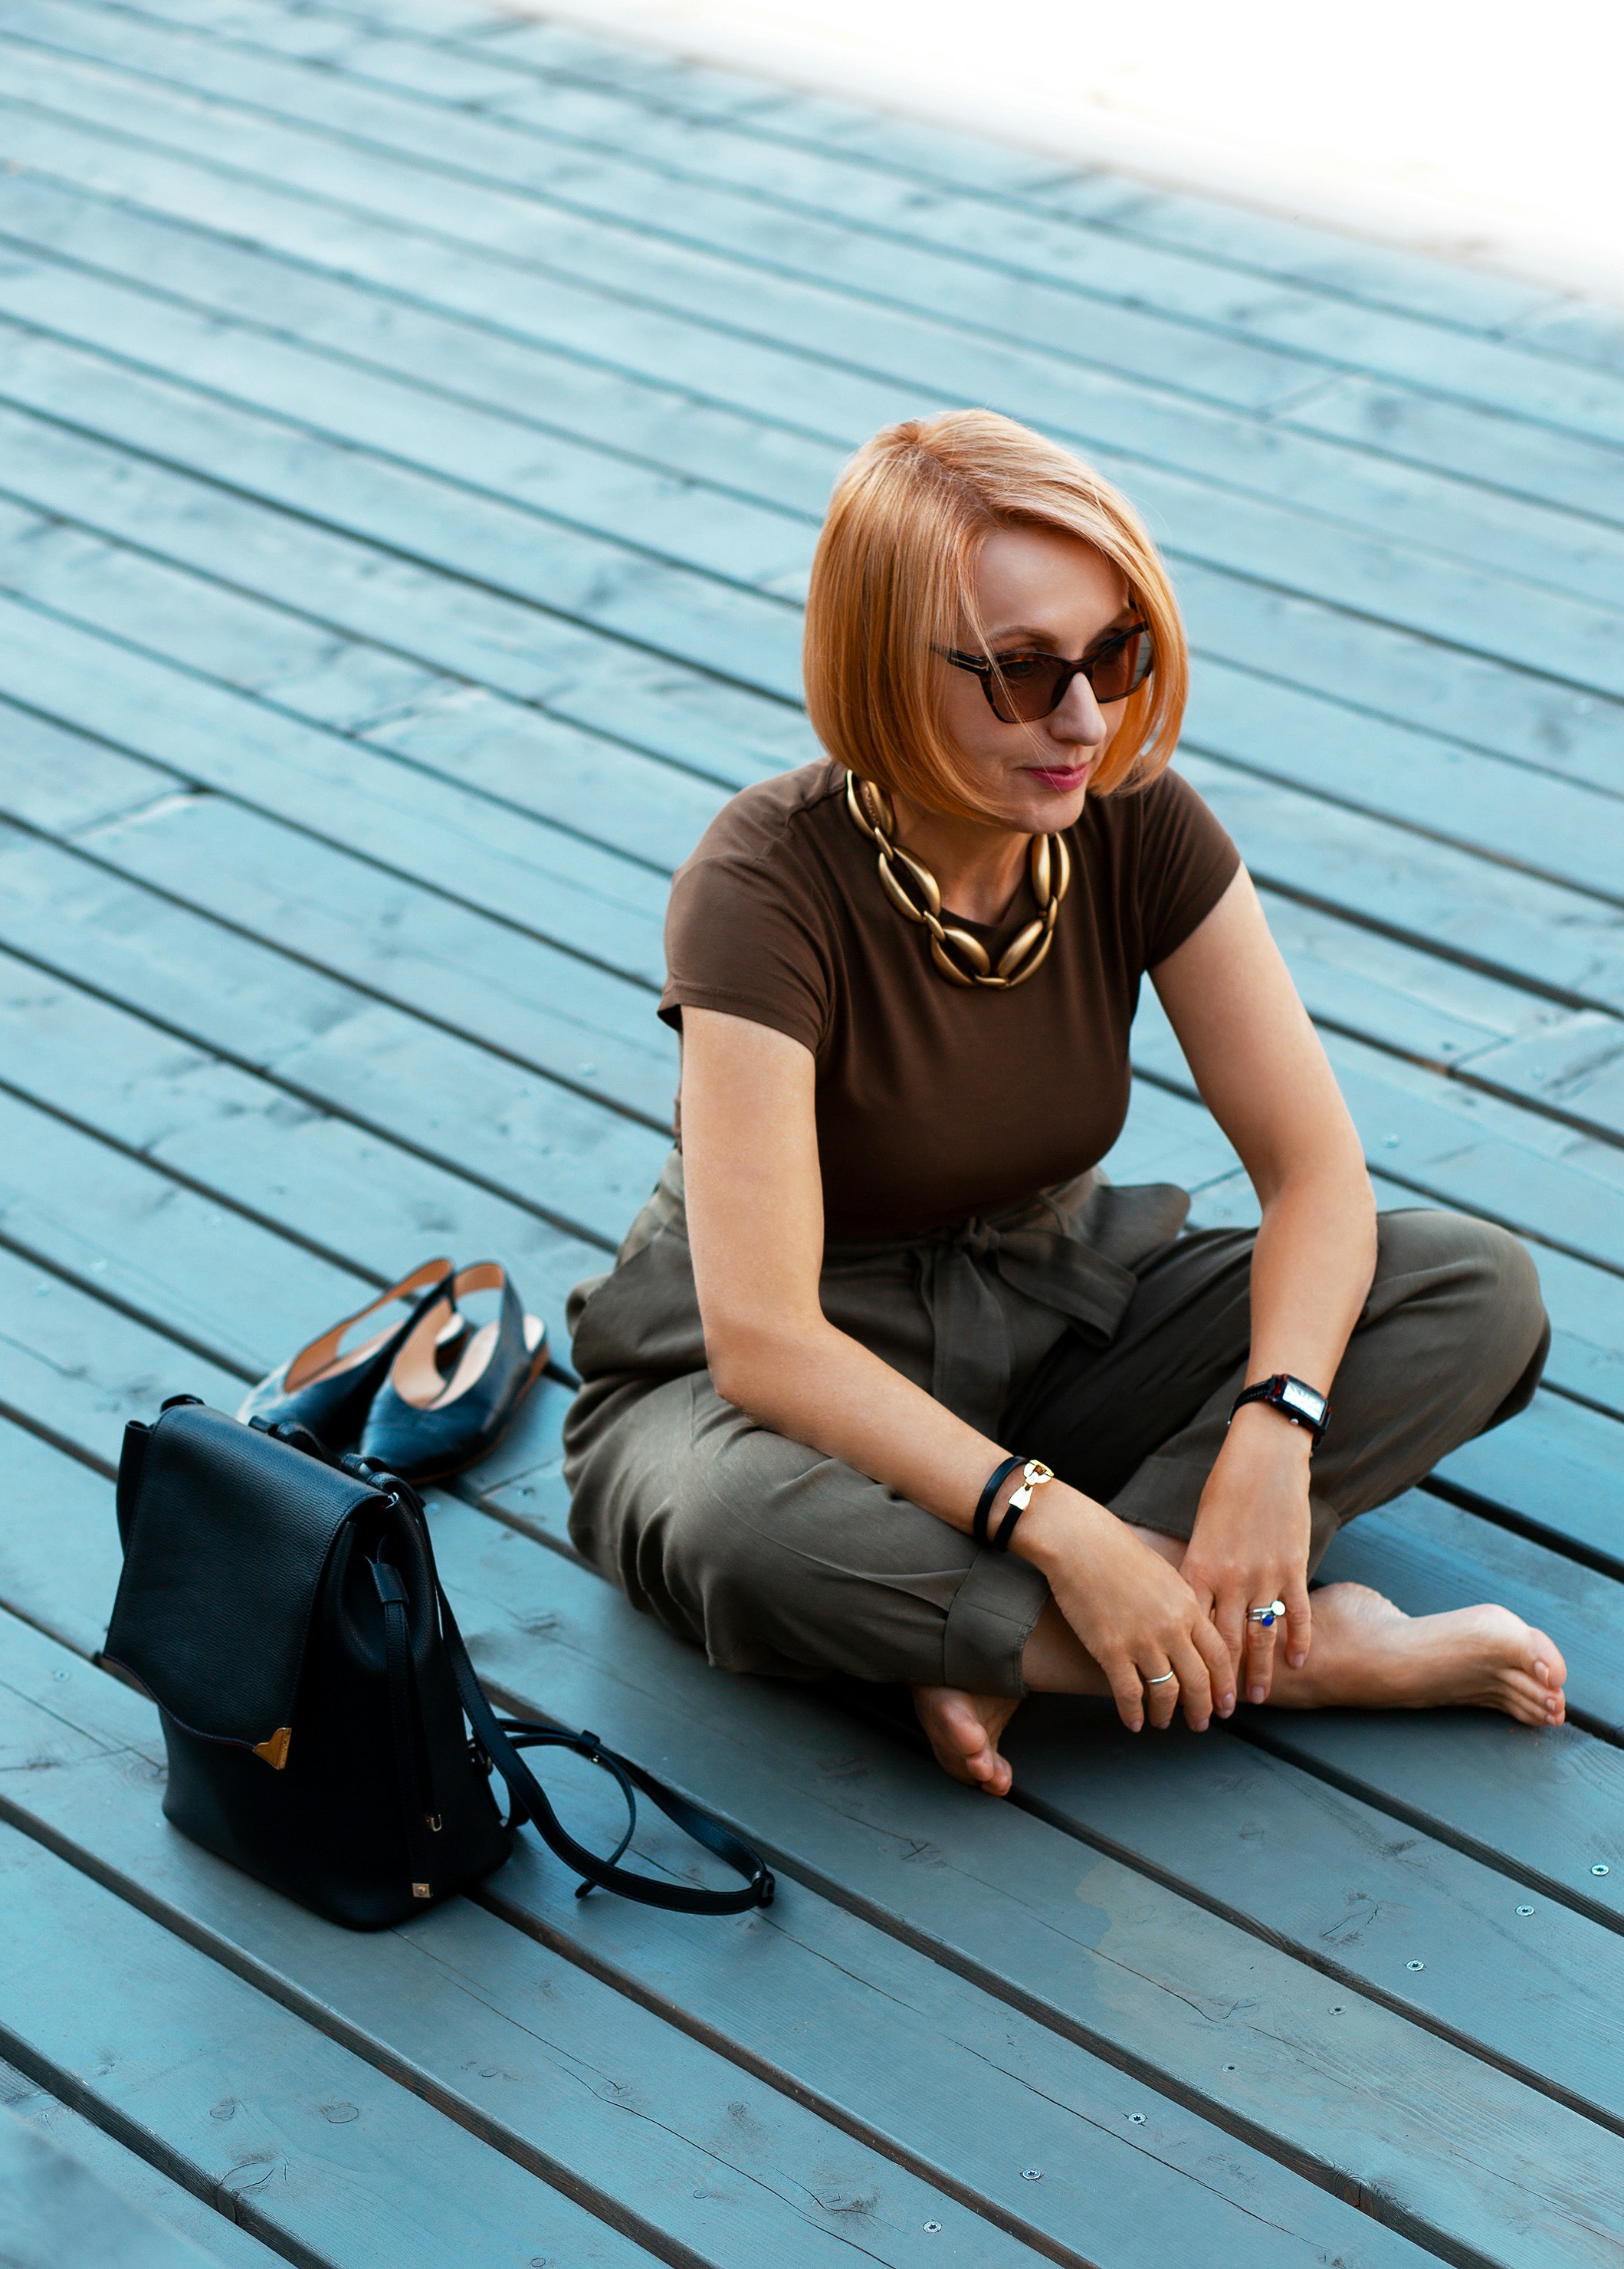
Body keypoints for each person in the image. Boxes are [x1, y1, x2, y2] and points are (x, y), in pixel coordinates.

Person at [563, 409, 1564, 1796]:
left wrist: (1273, 1430)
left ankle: (1050, 1635)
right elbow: (766, 1344)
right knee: (737, 1530)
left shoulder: (1137, 818)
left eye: (1115, 654)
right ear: (884, 666)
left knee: (1469, 1287)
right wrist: (1062, 1533)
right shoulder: (761, 884)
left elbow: (1317, 1177)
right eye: (1023, 672)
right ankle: (1299, 1652)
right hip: (780, 1394)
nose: (1086, 719)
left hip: (1056, 1318)